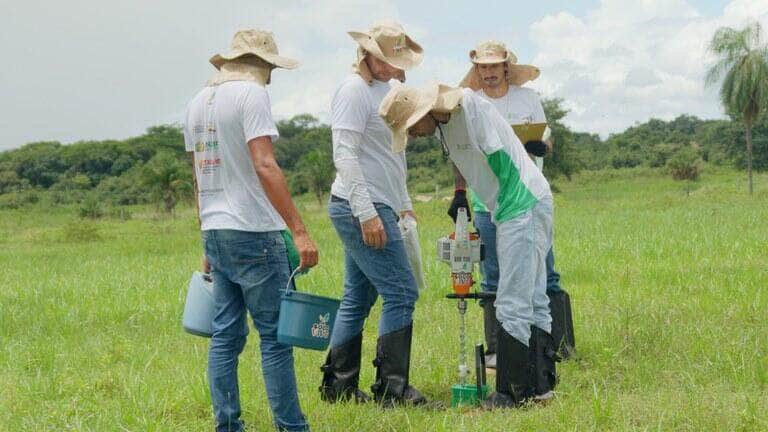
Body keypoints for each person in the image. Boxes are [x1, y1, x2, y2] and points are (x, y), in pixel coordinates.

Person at [380, 82, 557, 407]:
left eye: (411, 127)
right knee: (531, 297)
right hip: (510, 207)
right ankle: (540, 388)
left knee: (512, 300)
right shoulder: (442, 126)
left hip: (522, 203)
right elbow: (463, 157)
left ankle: (511, 394)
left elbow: (500, 157)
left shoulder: (470, 107)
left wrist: (507, 210)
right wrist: (461, 193)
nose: (413, 135)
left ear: (425, 112)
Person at [184, 29, 318, 432]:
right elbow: (264, 164)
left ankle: (227, 425)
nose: (273, 75)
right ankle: (291, 426)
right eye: (271, 67)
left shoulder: (196, 103)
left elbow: (197, 176)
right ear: (260, 64)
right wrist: (299, 230)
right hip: (255, 232)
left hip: (217, 229)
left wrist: (206, 235)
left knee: (225, 336)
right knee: (275, 339)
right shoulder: (252, 95)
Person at [318, 20, 428, 406]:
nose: (391, 65)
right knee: (401, 291)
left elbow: (390, 155)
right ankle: (392, 389)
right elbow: (344, 154)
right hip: (357, 204)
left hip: (381, 201)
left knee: (357, 298)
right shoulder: (352, 91)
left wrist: (404, 204)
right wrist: (367, 214)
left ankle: (339, 386)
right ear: (367, 53)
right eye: (385, 58)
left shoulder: (387, 89)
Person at [456, 40, 575, 365]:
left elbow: (548, 140)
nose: (490, 72)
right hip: (487, 201)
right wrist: (459, 193)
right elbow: (462, 154)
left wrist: (541, 147)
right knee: (493, 276)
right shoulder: (472, 103)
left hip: (529, 197)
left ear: (506, 67)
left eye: (495, 66)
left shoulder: (528, 98)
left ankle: (555, 346)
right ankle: (498, 351)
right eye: (483, 67)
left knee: (543, 273)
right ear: (477, 71)